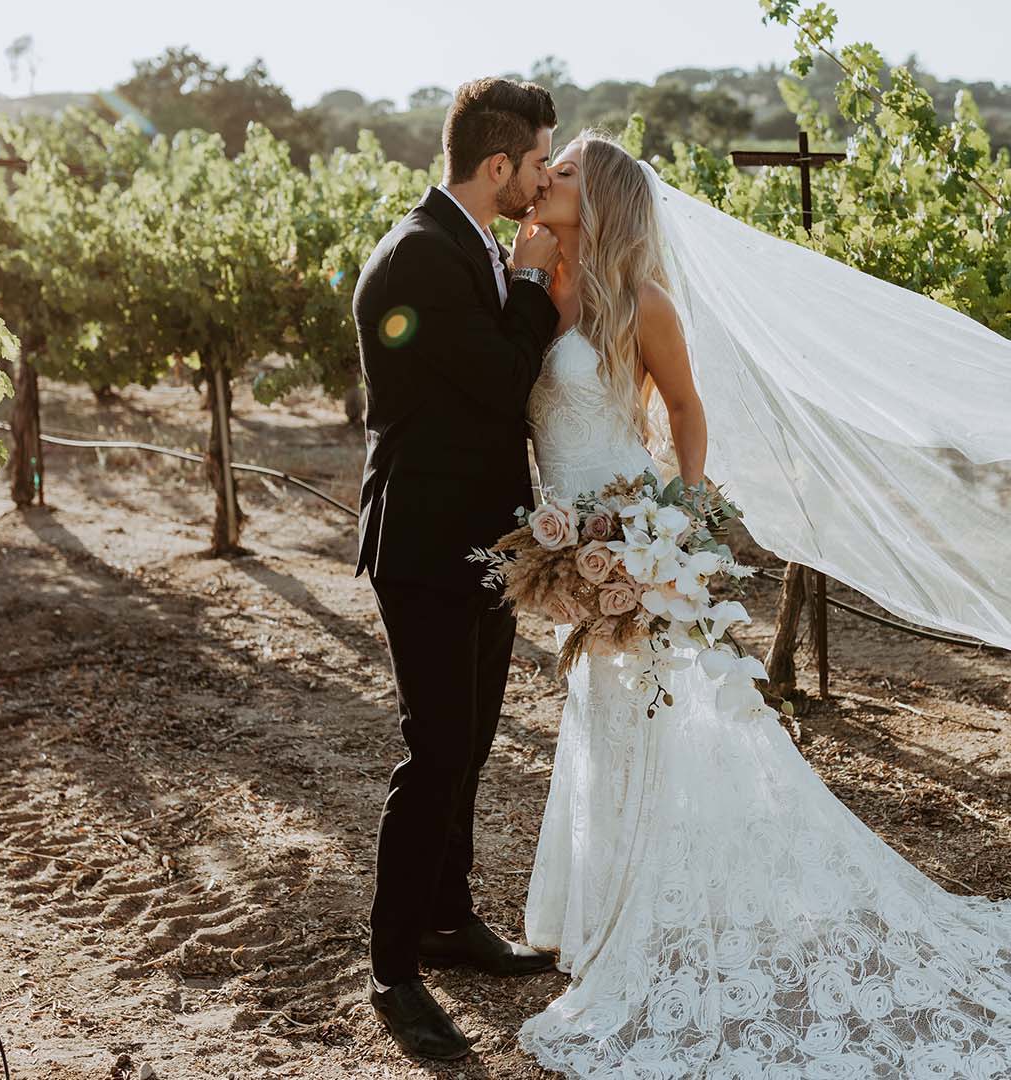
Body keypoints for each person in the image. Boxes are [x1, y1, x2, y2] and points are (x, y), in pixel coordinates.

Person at [512, 132, 1011, 1079]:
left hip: (637, 531)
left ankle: (654, 910)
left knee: (664, 714)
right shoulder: (532, 287)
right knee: (602, 705)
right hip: (569, 533)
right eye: (550, 168)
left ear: (607, 196)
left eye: (567, 172)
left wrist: (684, 513)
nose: (549, 180)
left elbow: (689, 409)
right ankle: (597, 903)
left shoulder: (642, 302)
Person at [350, 76, 565, 1061]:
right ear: (496, 167)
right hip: (429, 544)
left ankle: (448, 916)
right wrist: (529, 285)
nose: (542, 180)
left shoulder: (460, 241)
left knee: (470, 743)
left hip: (484, 539)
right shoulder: (426, 257)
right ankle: (394, 968)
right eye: (535, 164)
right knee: (434, 748)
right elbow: (500, 376)